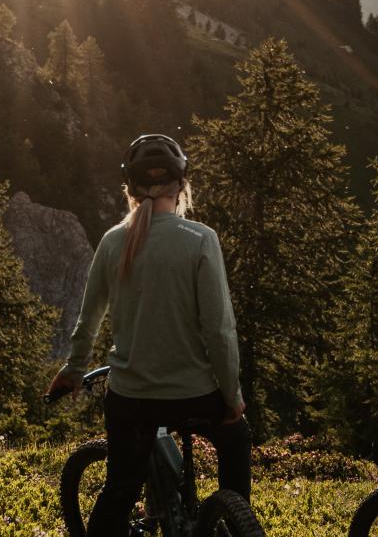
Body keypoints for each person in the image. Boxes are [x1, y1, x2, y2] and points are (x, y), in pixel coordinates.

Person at [46, 133, 249, 536]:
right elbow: (220, 331)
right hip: (196, 395)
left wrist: (73, 370)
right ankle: (234, 519)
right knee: (236, 438)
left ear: (130, 190)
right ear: (182, 185)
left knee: (120, 489)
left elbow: (89, 320)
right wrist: (232, 396)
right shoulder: (201, 239)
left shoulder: (112, 241)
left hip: (132, 399)